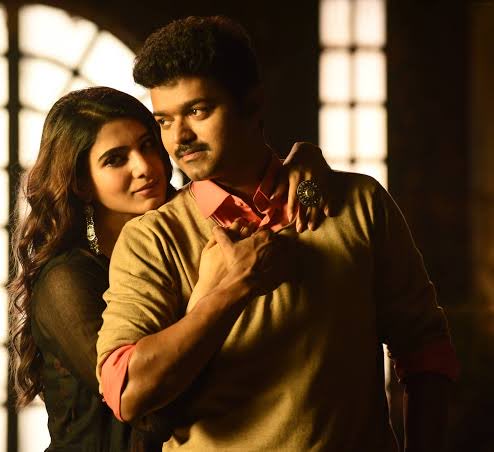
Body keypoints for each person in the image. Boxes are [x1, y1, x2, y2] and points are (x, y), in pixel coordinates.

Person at [96, 16, 459, 451]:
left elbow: (425, 351)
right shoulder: (153, 238)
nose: (180, 138)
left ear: (252, 103)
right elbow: (125, 392)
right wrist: (230, 291)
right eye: (164, 120)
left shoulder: (358, 203)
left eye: (197, 111)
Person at [8, 86, 334, 451]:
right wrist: (210, 290)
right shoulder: (65, 281)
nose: (144, 167)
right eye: (116, 160)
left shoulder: (189, 231)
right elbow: (151, 413)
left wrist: (305, 162)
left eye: (148, 145)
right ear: (82, 183)